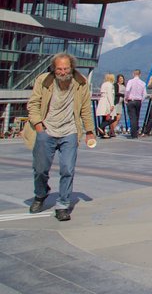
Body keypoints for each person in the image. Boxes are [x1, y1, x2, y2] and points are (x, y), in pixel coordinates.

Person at [26, 53, 97, 221]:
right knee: (40, 169)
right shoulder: (43, 80)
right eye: (59, 68)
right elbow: (33, 104)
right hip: (47, 130)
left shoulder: (81, 83)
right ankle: (41, 194)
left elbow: (85, 109)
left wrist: (89, 131)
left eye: (66, 68)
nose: (63, 72)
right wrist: (38, 125)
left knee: (67, 169)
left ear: (71, 68)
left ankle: (63, 205)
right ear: (54, 68)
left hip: (70, 131)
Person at [124, 69, 146, 138]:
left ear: (133, 74)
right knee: (137, 117)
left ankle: (133, 134)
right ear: (140, 74)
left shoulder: (130, 81)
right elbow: (145, 94)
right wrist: (141, 100)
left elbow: (127, 90)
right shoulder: (142, 83)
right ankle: (136, 132)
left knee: (132, 117)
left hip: (131, 100)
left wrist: (126, 98)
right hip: (138, 101)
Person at [95, 74, 116, 138]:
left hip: (102, 101)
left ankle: (102, 133)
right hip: (107, 102)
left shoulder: (103, 84)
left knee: (104, 118)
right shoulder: (110, 85)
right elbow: (110, 95)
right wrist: (112, 105)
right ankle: (101, 127)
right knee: (113, 118)